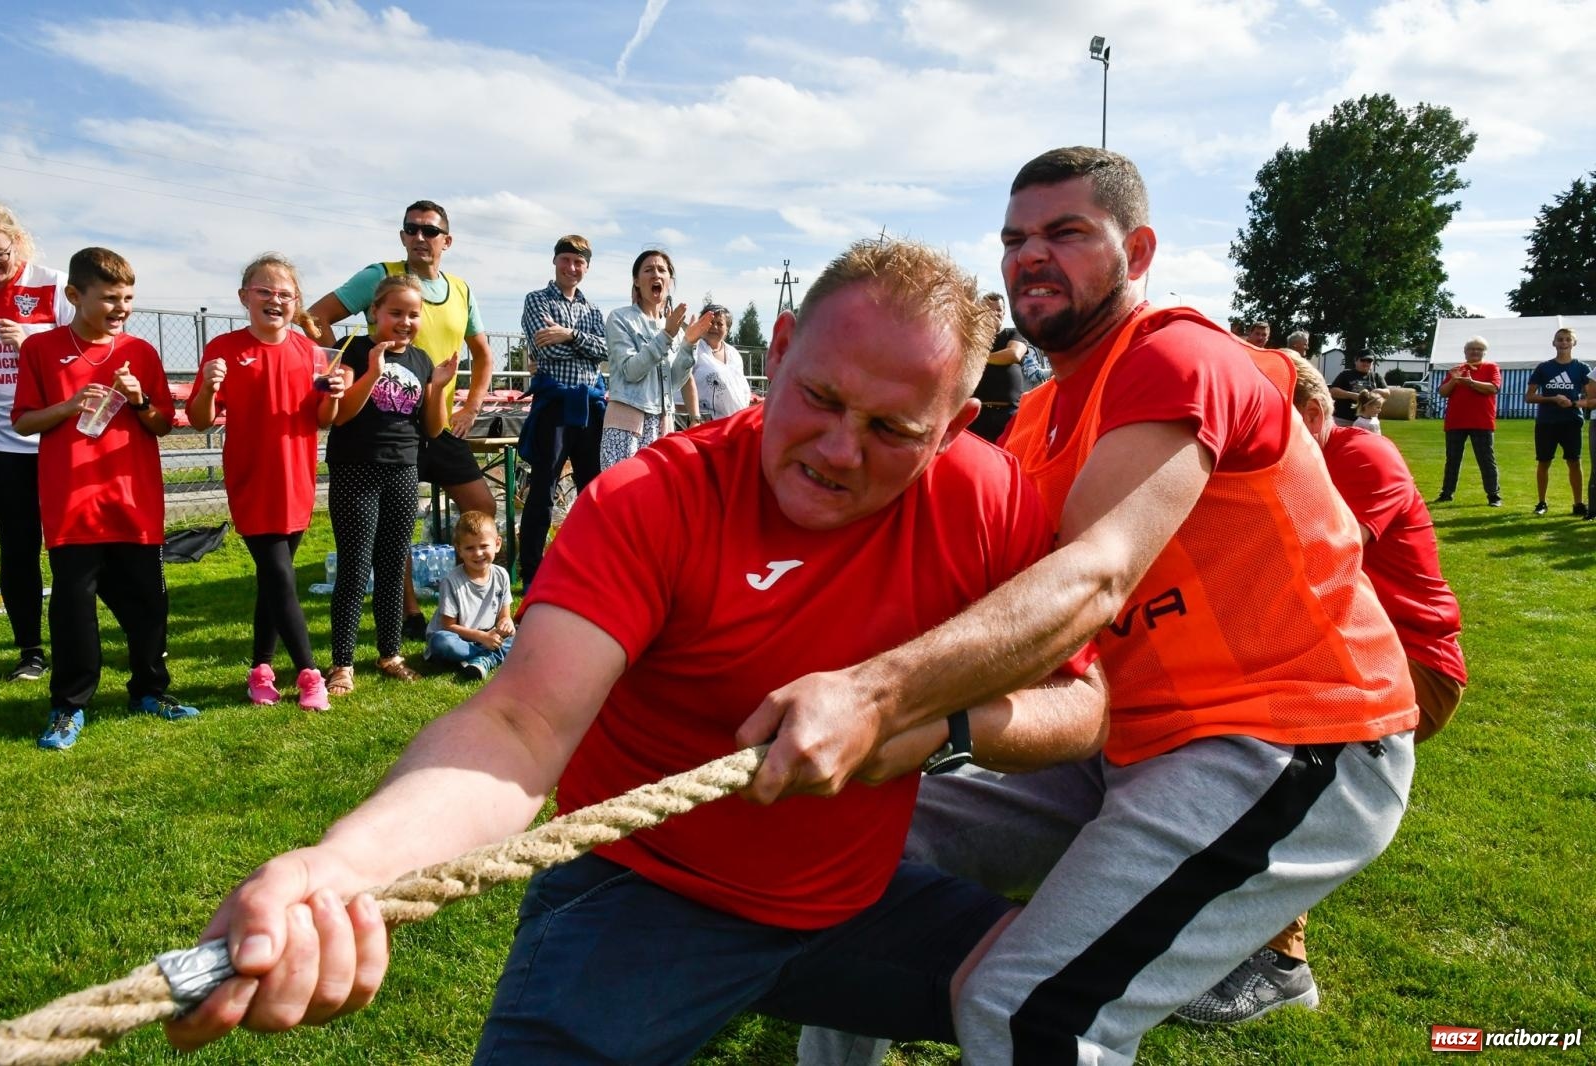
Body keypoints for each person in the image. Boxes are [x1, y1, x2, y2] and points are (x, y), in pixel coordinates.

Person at [162, 239, 1106, 1063]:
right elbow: (520, 725)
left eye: (893, 430)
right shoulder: (656, 498)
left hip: (853, 904)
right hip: (641, 898)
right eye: (819, 398)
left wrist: (937, 724)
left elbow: (1087, 700)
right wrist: (345, 865)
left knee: (1062, 1006)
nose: (838, 450)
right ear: (778, 351)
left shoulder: (986, 499)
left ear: (953, 430)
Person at [777, 148, 1416, 1065]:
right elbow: (984, 597)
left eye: (1066, 232)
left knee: (1029, 1012)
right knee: (861, 846)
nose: (1030, 255)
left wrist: (882, 697)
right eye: (1014, 239)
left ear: (1138, 251)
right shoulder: (1040, 415)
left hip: (1286, 734)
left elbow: (1094, 574)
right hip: (1122, 740)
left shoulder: (1175, 354)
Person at [1175, 353, 1465, 1024]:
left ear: (1310, 413)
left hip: (1408, 665)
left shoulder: (1363, 456)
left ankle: (1282, 964)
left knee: (1269, 747)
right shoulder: (1280, 463)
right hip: (1335, 654)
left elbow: (1312, 559)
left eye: (1259, 419)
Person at [12, 247, 201, 750]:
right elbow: (23, 421)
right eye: (111, 298)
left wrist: (139, 400)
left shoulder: (141, 352)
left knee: (149, 605)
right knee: (73, 609)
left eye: (129, 298)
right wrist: (70, 405)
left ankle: (150, 691)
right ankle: (68, 705)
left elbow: (162, 424)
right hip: (72, 503)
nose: (122, 308)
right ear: (75, 295)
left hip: (134, 501)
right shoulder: (41, 349)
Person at [305, 200, 496, 636]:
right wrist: (340, 367)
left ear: (447, 240)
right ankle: (408, 614)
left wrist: (471, 406)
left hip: (433, 420)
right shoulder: (379, 275)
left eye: (430, 231)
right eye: (412, 229)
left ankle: (464, 600)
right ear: (402, 236)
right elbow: (316, 318)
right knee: (393, 530)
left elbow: (484, 355)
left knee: (482, 507)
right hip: (383, 428)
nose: (420, 237)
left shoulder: (461, 290)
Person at [189, 254, 343, 711]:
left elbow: (322, 419)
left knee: (275, 581)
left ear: (297, 301)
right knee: (279, 574)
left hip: (296, 479)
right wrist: (208, 388)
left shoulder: (310, 353)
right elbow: (200, 419)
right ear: (244, 297)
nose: (275, 300)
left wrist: (334, 394)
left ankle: (260, 669)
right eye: (264, 291)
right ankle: (309, 673)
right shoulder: (223, 348)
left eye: (285, 294)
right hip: (251, 479)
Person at [323, 275, 457, 695]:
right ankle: (342, 663)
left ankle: (390, 653)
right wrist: (373, 372)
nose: (405, 322)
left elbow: (432, 428)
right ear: (374, 312)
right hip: (356, 468)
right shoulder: (354, 350)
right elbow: (341, 415)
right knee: (355, 566)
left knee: (393, 565)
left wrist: (438, 386)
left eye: (413, 314)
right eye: (395, 312)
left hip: (403, 470)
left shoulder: (420, 359)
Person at [0, 203, 71, 683]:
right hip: (4, 449)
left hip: (59, 442)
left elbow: (86, 356)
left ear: (16, 241)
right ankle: (30, 651)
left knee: (73, 551)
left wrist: (30, 346)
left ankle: (77, 641)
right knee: (18, 550)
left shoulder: (54, 284)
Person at [516, 235, 606, 588]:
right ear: (555, 261)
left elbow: (605, 351)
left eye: (579, 262)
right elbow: (546, 351)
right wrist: (582, 344)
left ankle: (591, 564)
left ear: (587, 267)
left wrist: (568, 335)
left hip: (590, 406)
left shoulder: (592, 310)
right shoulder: (536, 300)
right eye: (566, 260)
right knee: (544, 486)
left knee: (592, 488)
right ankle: (532, 571)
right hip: (554, 404)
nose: (572, 267)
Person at [599, 249, 711, 470]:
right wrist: (666, 335)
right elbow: (630, 371)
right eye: (648, 270)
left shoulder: (673, 327)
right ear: (636, 281)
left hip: (663, 423)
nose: (656, 274)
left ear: (669, 280)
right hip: (626, 422)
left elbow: (675, 381)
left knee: (656, 489)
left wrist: (689, 344)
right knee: (623, 488)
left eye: (662, 270)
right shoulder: (620, 318)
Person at [424, 509, 514, 681]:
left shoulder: (501, 575)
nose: (478, 553)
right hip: (457, 637)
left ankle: (480, 659)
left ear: (497, 544)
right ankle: (486, 656)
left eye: (484, 546)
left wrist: (506, 623)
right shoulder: (451, 581)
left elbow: (505, 616)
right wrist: (482, 637)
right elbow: (448, 626)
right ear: (459, 549)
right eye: (470, 548)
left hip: (487, 635)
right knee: (441, 642)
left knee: (522, 634)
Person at [1525, 327, 1592, 516]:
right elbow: (1529, 397)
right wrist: (1553, 399)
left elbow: (1591, 397)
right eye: (1560, 339)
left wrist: (1574, 403)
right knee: (1544, 462)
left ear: (1574, 343)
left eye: (1567, 339)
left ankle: (1578, 503)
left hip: (1571, 421)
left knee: (1574, 461)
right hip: (1546, 422)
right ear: (1553, 343)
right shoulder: (1544, 368)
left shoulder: (1582, 368)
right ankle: (1541, 502)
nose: (1564, 343)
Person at [1434, 335, 1502, 506]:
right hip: (1456, 421)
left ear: (1484, 352)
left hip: (1481, 421)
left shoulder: (1491, 367)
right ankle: (1447, 493)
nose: (1475, 352)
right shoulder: (1457, 369)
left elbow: (1493, 388)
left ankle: (1493, 495)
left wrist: (1471, 383)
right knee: (1452, 459)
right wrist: (1454, 380)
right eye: (1471, 349)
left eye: (1479, 349)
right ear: (1465, 352)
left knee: (1486, 459)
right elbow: (1443, 392)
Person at [968, 292, 1029, 443]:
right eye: (989, 310)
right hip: (977, 414)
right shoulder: (973, 338)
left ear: (1004, 312)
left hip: (1007, 414)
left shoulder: (1014, 333)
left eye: (998, 310)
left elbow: (1014, 354)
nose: (995, 314)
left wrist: (980, 359)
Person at [688, 303, 753, 422]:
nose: (714, 327)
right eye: (711, 322)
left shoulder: (734, 354)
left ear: (727, 329)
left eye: (720, 323)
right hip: (705, 423)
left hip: (736, 422)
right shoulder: (692, 350)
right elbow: (682, 387)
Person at [1329, 350, 1381, 427]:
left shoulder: (1376, 376)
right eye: (1363, 360)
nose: (1366, 363)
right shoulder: (1345, 374)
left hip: (1368, 421)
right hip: (1344, 419)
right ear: (1356, 361)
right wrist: (1352, 395)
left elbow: (1387, 392)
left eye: (1369, 361)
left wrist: (1378, 391)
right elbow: (1333, 391)